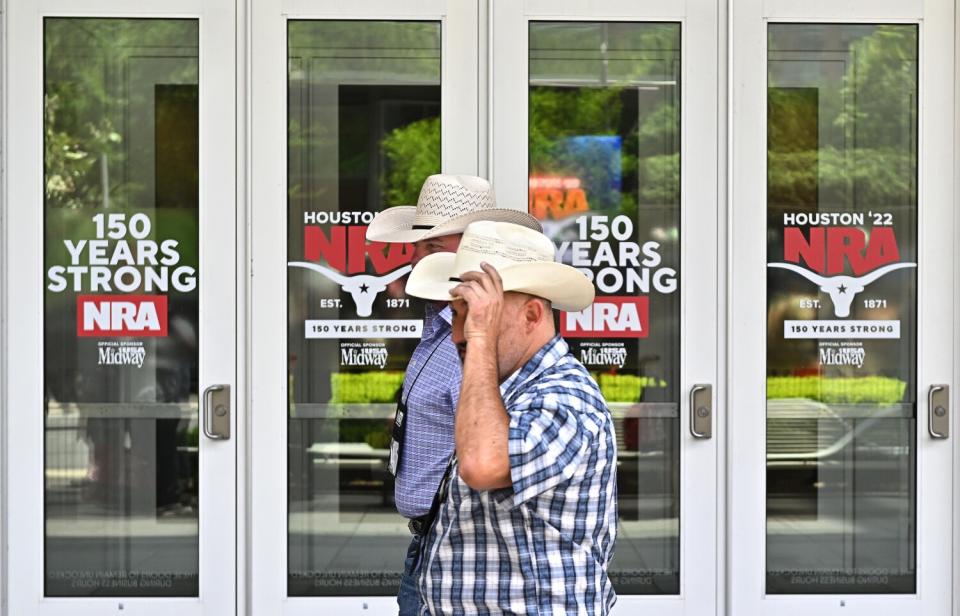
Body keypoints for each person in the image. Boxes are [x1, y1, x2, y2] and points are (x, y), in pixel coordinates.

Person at [404, 220, 619, 615]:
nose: (459, 334)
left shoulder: (565, 396)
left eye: (479, 316)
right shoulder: (500, 390)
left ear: (532, 315)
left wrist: (481, 338)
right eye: (456, 314)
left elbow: (484, 465)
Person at [365, 175, 541, 616]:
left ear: (469, 248)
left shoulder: (482, 343)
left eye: (430, 247)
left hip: (462, 546)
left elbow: (493, 442)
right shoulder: (438, 324)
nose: (413, 258)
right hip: (429, 542)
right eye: (414, 245)